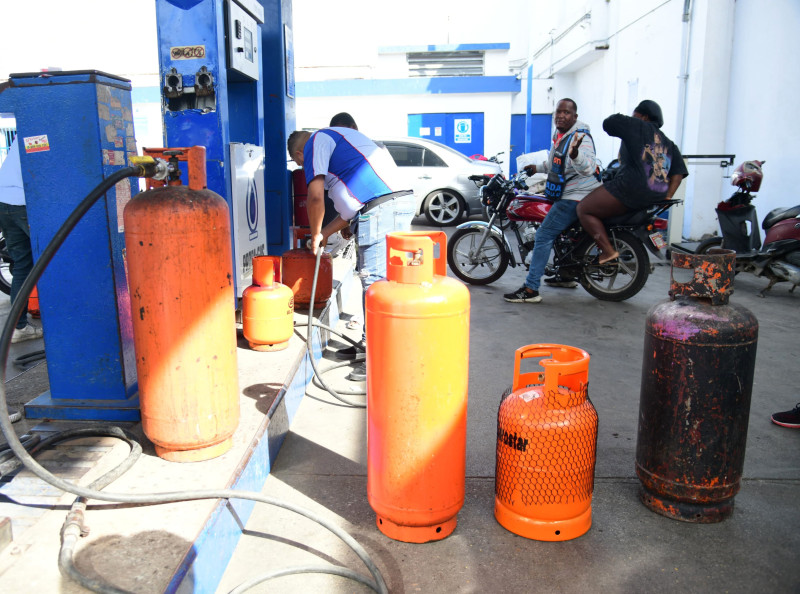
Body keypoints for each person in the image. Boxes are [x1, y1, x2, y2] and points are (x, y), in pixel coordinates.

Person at [287, 126, 414, 381]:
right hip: (388, 205)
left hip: (380, 209)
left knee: (374, 285)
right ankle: (372, 347)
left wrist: (313, 234)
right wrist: (324, 233)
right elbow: (347, 212)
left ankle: (379, 361)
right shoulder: (337, 144)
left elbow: (314, 197)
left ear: (300, 153)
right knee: (382, 284)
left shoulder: (317, 142)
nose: (303, 167)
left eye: (298, 162)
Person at [504, 98, 601, 304]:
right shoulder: (560, 135)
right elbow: (555, 163)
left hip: (576, 195)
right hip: (565, 192)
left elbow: (588, 167)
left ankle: (531, 289)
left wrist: (575, 155)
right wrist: (536, 168)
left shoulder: (581, 138)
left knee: (544, 235)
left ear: (575, 117)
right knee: (558, 234)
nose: (561, 116)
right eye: (558, 112)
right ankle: (565, 276)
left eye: (566, 113)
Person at [576, 99, 688, 264]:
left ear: (643, 116)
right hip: (656, 195)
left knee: (584, 209)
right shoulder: (669, 143)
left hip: (630, 188)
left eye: (634, 115)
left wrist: (631, 121)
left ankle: (607, 251)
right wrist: (668, 195)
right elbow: (678, 174)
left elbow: (609, 123)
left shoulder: (638, 126)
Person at [0, 138, 43, 343]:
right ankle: (64, 324)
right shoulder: (48, 126)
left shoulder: (27, 131)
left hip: (3, 202)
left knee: (22, 266)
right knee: (55, 259)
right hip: (24, 203)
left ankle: (18, 327)